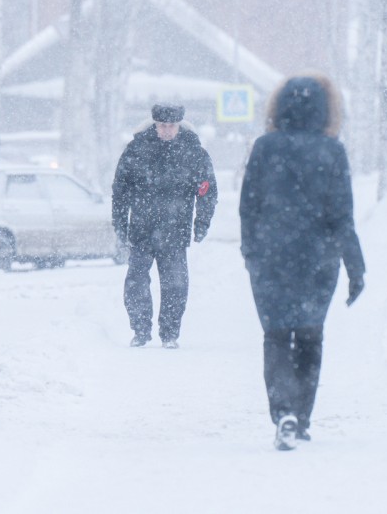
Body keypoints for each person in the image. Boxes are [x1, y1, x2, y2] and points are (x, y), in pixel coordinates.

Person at [239, 75, 365, 450]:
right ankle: (302, 416)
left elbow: (248, 207)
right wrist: (355, 267)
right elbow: (342, 216)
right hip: (318, 260)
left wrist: (251, 252)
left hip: (271, 258)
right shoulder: (332, 151)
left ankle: (284, 414)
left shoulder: (264, 147)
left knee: (276, 336)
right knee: (310, 336)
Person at [112, 104, 217, 349]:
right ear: (155, 124)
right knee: (136, 282)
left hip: (175, 231)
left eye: (171, 126)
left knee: (176, 285)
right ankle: (140, 331)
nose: (167, 130)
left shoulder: (193, 152)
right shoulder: (136, 149)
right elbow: (120, 191)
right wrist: (120, 223)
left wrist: (202, 222)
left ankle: (169, 334)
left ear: (179, 125)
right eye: (162, 125)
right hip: (141, 230)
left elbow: (207, 190)